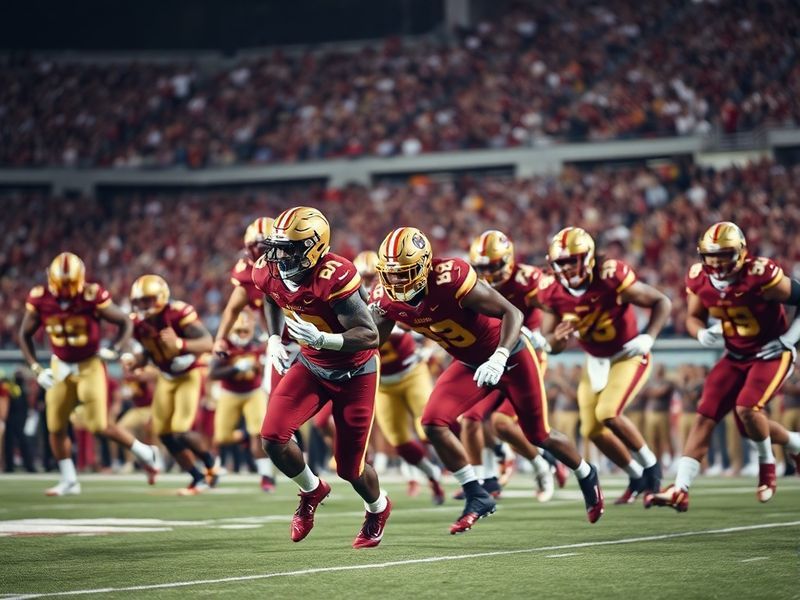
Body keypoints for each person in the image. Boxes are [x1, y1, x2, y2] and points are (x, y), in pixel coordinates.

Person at [370, 227, 604, 534]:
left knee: (539, 435)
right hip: (468, 363)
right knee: (433, 422)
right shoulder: (385, 298)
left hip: (512, 356)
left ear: (425, 266)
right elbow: (374, 340)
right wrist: (357, 327)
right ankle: (476, 493)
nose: (397, 282)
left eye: (405, 273)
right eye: (391, 274)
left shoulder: (450, 277)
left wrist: (500, 355)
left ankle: (586, 473)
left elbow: (513, 313)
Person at [252, 206, 391, 549]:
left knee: (350, 467)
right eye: (278, 247)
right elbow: (271, 297)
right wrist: (274, 338)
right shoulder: (267, 270)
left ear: (314, 247)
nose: (280, 256)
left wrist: (324, 339)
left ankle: (378, 508)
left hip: (355, 371)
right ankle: (312, 489)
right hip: (312, 366)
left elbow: (369, 335)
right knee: (272, 436)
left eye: (291, 248)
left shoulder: (335, 274)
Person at [645, 222, 800, 511]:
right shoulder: (698, 278)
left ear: (741, 253)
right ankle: (680, 488)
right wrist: (700, 332)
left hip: (770, 354)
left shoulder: (759, 275)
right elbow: (694, 316)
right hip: (734, 355)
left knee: (746, 410)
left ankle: (767, 468)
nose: (717, 262)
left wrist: (789, 339)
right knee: (707, 416)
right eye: (711, 256)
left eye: (725, 254)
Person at [538, 227, 671, 505]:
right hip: (595, 360)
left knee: (608, 413)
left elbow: (661, 301)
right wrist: (556, 340)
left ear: (587, 257)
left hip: (627, 353)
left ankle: (651, 467)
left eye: (571, 260)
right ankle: (635, 476)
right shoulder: (551, 291)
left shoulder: (611, 276)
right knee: (591, 430)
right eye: (560, 262)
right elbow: (552, 344)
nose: (566, 267)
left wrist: (649, 336)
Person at [18, 252, 161, 495]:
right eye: (61, 284)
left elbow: (125, 322)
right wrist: (36, 368)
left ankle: (147, 453)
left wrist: (114, 349)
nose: (65, 290)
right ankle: (69, 480)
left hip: (89, 364)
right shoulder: (40, 298)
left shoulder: (91, 296)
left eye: (69, 284)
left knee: (99, 425)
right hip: (60, 364)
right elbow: (24, 335)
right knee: (55, 425)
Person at [464, 229, 558, 501]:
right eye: (481, 268)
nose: (488, 274)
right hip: (491, 358)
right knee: (469, 419)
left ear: (507, 259)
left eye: (493, 266)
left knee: (502, 424)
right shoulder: (472, 284)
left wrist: (541, 334)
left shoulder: (528, 279)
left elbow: (556, 306)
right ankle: (486, 481)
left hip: (525, 356)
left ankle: (542, 464)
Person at [354, 250, 445, 505]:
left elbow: (419, 322)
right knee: (399, 442)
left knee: (429, 423)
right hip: (383, 383)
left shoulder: (391, 296)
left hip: (410, 372)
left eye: (372, 276)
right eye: (363, 276)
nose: (367, 282)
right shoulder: (348, 305)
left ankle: (471, 473)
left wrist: (426, 349)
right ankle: (432, 475)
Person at [124, 274, 215, 495]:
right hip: (166, 376)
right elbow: (148, 351)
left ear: (161, 297)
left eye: (148, 300)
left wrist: (181, 344)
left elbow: (207, 342)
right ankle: (197, 476)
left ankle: (212, 465)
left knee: (181, 430)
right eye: (140, 301)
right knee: (163, 433)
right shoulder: (138, 322)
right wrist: (136, 362)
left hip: (188, 374)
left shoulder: (178, 313)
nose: (143, 306)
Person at [208, 309, 276, 491]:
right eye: (239, 331)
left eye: (245, 331)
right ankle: (212, 470)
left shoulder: (259, 344)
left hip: (254, 392)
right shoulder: (225, 345)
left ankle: (266, 476)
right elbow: (212, 373)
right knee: (221, 437)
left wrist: (261, 368)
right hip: (229, 393)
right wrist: (235, 369)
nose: (242, 335)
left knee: (259, 434)